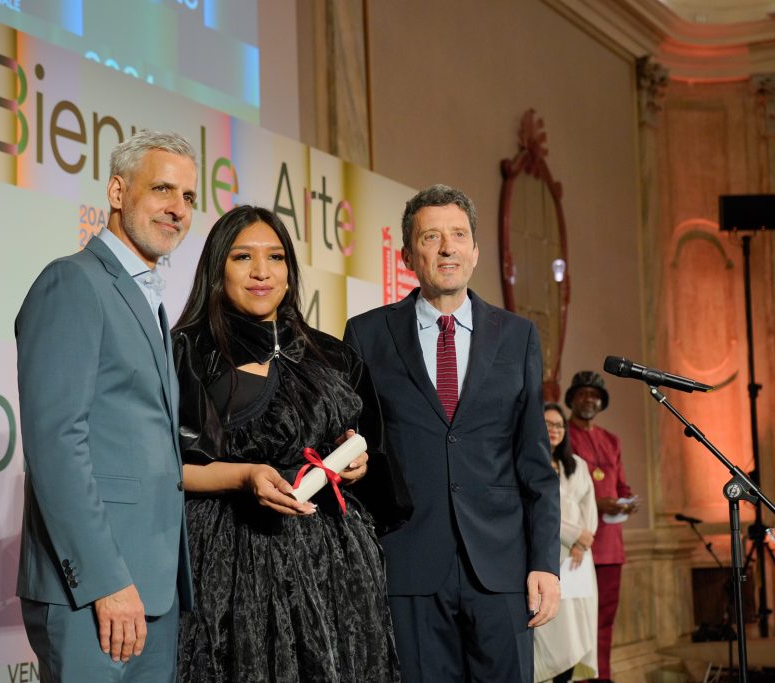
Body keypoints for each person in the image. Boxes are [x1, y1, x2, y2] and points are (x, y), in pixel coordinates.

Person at [172, 205, 413, 683]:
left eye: (276, 257)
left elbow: (369, 450)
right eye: (243, 257)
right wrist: (244, 477)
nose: (262, 272)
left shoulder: (333, 354)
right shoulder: (189, 351)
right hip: (231, 564)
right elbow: (165, 466)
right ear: (217, 268)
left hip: (336, 569)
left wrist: (357, 463)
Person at [343, 183, 561, 682]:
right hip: (407, 567)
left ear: (476, 251)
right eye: (432, 237)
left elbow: (535, 464)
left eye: (459, 235)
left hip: (502, 571)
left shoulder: (518, 336)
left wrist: (545, 563)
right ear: (406, 255)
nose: (447, 248)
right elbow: (354, 448)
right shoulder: (366, 335)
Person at [14, 130, 199, 682]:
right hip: (96, 593)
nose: (178, 208)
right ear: (118, 192)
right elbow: (56, 445)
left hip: (153, 588)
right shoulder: (73, 281)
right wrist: (105, 581)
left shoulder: (147, 296)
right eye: (162, 189)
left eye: (188, 196)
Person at [565, 371, 638, 683]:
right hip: (575, 544)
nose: (589, 399)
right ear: (571, 398)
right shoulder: (561, 435)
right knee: (576, 618)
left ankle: (602, 677)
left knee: (604, 620)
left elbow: (620, 486)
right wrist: (597, 503)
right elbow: (560, 490)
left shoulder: (611, 440)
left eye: (595, 395)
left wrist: (626, 501)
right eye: (583, 393)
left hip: (610, 545)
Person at [534, 403, 599, 683]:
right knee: (556, 630)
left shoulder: (577, 465)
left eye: (559, 425)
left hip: (578, 558)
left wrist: (583, 541)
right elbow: (538, 511)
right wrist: (574, 535)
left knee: (580, 628)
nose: (554, 430)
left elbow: (589, 506)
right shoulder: (530, 462)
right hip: (550, 553)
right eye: (548, 424)